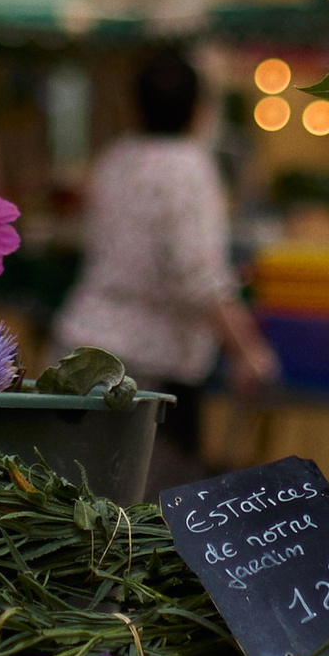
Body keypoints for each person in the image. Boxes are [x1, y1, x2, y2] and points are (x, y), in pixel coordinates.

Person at [55, 44, 273, 477]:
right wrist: (248, 350)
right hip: (148, 375)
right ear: (198, 108)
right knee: (145, 519)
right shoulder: (190, 169)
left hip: (80, 346)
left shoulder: (115, 158)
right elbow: (199, 277)